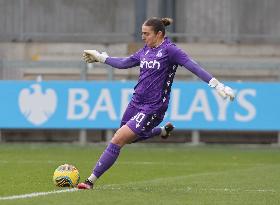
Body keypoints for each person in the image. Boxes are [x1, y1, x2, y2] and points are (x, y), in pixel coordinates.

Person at [77, 17, 235, 189]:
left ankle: (89, 181)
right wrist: (100, 58)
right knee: (127, 139)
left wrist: (217, 85)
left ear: (159, 34)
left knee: (118, 139)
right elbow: (124, 63)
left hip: (154, 107)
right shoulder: (146, 50)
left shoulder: (170, 51)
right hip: (136, 102)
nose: (143, 37)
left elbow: (193, 66)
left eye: (146, 34)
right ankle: (161, 131)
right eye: (142, 33)